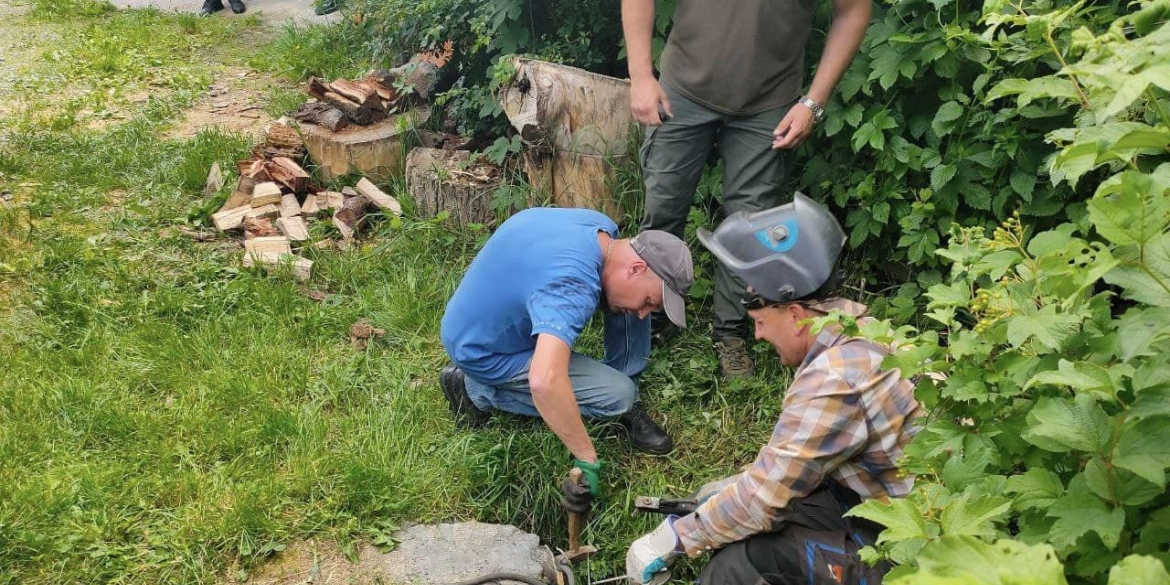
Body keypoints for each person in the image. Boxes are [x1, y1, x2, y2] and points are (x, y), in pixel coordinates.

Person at [626, 194, 921, 585]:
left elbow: (763, 502)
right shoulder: (865, 332)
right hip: (883, 505)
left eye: (761, 321)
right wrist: (738, 490)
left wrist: (676, 538)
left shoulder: (834, 379)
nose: (759, 334)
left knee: (739, 566)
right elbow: (793, 470)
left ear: (797, 316)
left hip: (907, 551)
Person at [621, 0, 872, 378]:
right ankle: (653, 314)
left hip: (769, 104)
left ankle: (731, 331)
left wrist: (813, 103)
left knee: (752, 225)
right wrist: (640, 74)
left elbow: (853, 10)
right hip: (682, 89)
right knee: (664, 208)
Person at [439, 207, 694, 505]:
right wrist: (587, 459)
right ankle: (474, 390)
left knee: (624, 300)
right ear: (637, 267)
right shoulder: (572, 287)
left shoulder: (602, 229)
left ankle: (625, 384)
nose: (644, 314)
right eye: (651, 301)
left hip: (480, 318)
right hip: (483, 350)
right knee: (619, 393)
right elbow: (545, 381)